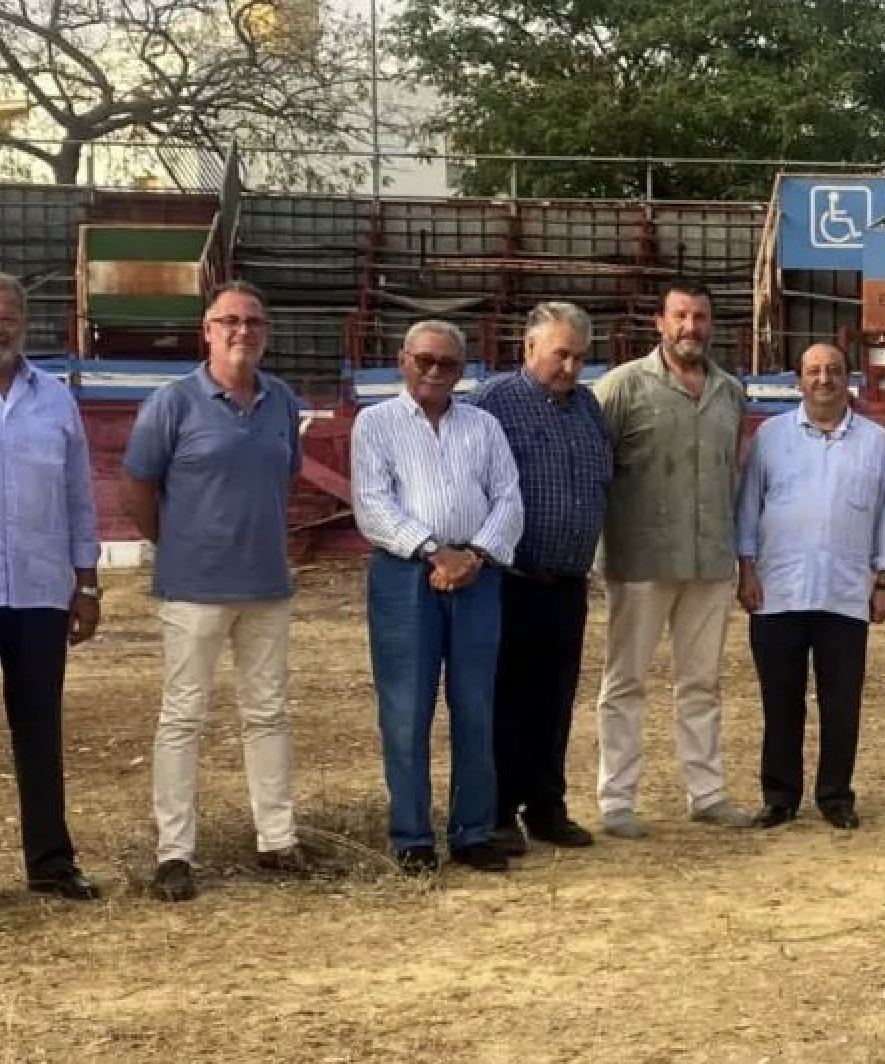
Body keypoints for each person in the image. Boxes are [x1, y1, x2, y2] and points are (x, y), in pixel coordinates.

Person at [120, 280, 311, 902]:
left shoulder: (281, 401)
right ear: (207, 330)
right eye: (229, 320)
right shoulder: (172, 403)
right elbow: (138, 491)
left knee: (267, 713)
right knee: (183, 717)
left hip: (265, 585)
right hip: (195, 589)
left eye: (253, 322)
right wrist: (178, 545)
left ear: (266, 333)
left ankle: (277, 838)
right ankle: (175, 852)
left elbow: (284, 476)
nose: (241, 331)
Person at [351, 319, 524, 874]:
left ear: (463, 370)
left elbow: (509, 500)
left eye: (447, 363)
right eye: (424, 359)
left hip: (477, 575)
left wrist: (473, 556)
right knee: (406, 709)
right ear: (403, 360)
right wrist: (432, 552)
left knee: (476, 706)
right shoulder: (374, 424)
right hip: (406, 577)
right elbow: (374, 506)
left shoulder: (484, 426)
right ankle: (413, 834)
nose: (434, 371)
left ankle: (473, 831)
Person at [593, 280, 751, 838]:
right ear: (660, 322)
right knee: (625, 682)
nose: (691, 328)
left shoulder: (729, 392)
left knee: (702, 683)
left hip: (709, 560)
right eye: (680, 316)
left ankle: (706, 793)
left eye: (701, 318)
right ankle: (616, 799)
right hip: (639, 558)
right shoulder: (621, 387)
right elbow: (594, 470)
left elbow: (731, 470)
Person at [736, 342, 885, 830]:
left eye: (833, 370)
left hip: (845, 591)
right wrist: (746, 569)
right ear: (798, 380)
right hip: (778, 590)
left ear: (847, 378)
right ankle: (780, 796)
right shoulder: (770, 436)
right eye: (814, 371)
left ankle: (835, 795)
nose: (823, 379)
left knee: (841, 700)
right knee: (780, 700)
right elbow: (749, 508)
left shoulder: (875, 441)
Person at [470, 301, 613, 854]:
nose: (571, 367)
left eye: (580, 357)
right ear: (529, 348)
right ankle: (500, 809)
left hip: (569, 581)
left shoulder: (588, 409)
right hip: (511, 579)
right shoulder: (493, 406)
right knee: (507, 699)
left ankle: (547, 806)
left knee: (555, 700)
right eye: (561, 355)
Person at [0, 272, 101, 901]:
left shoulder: (57, 401)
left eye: (9, 314)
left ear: (24, 323)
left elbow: (79, 497)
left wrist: (86, 583)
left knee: (40, 731)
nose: (0, 324)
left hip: (38, 592)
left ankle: (51, 864)